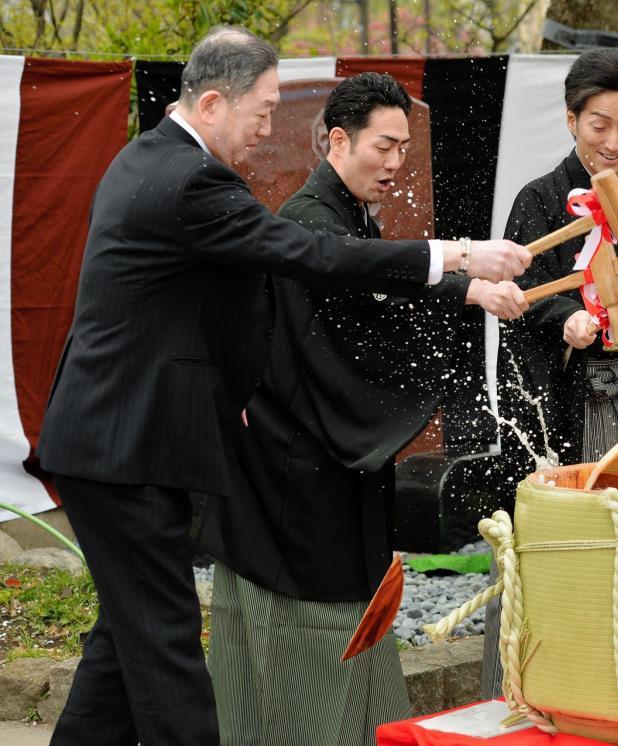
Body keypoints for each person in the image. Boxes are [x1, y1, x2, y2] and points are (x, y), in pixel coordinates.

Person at [36, 27, 530, 746]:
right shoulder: (194, 181)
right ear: (212, 103)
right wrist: (455, 257)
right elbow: (305, 253)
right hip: (128, 447)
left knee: (124, 643)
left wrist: (463, 291)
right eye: (263, 110)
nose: (270, 128)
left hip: (113, 439)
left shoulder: (143, 158)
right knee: (170, 656)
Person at [197, 72, 528, 746]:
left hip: (328, 468)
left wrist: (469, 292)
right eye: (384, 145)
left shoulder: (344, 215)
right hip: (294, 481)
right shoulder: (309, 220)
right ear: (339, 141)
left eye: (404, 148)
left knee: (355, 624)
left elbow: (375, 282)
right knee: (307, 637)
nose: (395, 163)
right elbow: (358, 288)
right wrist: (463, 281)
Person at [483, 48, 618, 697]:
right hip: (568, 402)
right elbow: (518, 305)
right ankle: (526, 691)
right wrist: (565, 321)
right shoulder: (541, 200)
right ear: (572, 119)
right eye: (599, 124)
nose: (613, 140)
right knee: (551, 551)